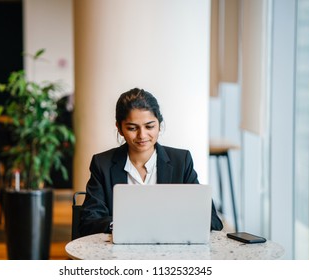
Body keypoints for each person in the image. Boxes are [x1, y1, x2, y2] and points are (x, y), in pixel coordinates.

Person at [79, 88, 223, 237]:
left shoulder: (181, 161)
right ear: (120, 129)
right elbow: (89, 221)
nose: (142, 135)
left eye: (149, 126)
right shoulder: (103, 164)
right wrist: (121, 225)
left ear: (159, 125)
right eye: (132, 128)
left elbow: (212, 221)